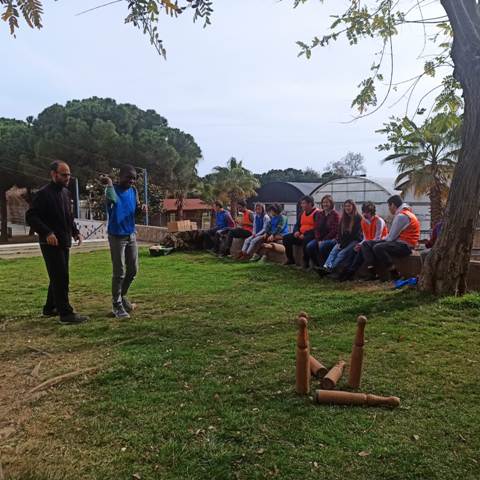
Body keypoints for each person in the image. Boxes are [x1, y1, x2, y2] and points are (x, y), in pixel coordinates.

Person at [26, 161, 88, 324]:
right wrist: (47, 232)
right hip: (50, 243)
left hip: (64, 241)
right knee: (61, 277)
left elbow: (68, 217)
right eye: (64, 175)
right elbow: (31, 216)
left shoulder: (66, 193)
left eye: (69, 175)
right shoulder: (43, 194)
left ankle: (50, 308)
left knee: (58, 275)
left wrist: (75, 232)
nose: (68, 178)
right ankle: (66, 314)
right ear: (53, 174)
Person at [102, 165, 146, 319]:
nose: (131, 181)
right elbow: (112, 200)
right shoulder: (111, 190)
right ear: (120, 176)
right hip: (116, 236)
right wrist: (109, 183)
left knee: (133, 270)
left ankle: (122, 296)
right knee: (119, 272)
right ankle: (117, 305)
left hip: (130, 234)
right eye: (128, 177)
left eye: (134, 178)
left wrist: (141, 210)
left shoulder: (133, 191)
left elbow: (135, 211)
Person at [361, 195, 420, 281]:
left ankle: (394, 273)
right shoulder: (406, 213)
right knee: (366, 244)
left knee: (378, 247)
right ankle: (372, 272)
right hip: (401, 242)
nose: (389, 209)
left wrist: (379, 241)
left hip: (405, 245)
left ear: (393, 205)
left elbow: (391, 238)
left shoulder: (401, 216)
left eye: (389, 206)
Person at [338, 201, 388, 281]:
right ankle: (348, 271)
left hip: (379, 243)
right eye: (363, 212)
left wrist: (363, 244)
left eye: (367, 212)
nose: (364, 214)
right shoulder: (363, 221)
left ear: (372, 212)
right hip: (368, 244)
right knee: (354, 250)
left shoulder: (379, 221)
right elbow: (365, 238)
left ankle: (351, 273)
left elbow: (378, 238)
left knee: (362, 249)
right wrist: (360, 244)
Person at [321, 199, 362, 274]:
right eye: (345, 206)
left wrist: (344, 244)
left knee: (341, 253)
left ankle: (331, 269)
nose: (347, 208)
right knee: (334, 251)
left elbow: (355, 235)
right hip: (343, 240)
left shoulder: (358, 218)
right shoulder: (343, 218)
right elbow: (340, 232)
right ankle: (326, 267)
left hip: (354, 241)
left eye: (349, 206)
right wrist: (340, 242)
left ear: (353, 207)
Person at [283, 196, 320, 268]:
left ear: (310, 204)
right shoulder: (302, 213)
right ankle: (290, 259)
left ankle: (306, 262)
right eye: (301, 203)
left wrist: (305, 234)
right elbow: (297, 225)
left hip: (311, 236)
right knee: (286, 238)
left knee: (306, 240)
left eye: (303, 203)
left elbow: (317, 228)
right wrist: (296, 231)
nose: (301, 205)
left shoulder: (317, 213)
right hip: (300, 234)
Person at [305, 195, 340, 268]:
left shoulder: (335, 215)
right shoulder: (319, 214)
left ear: (331, 203)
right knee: (309, 246)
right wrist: (318, 240)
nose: (325, 204)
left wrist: (323, 240)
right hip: (320, 239)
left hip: (331, 238)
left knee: (322, 246)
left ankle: (325, 266)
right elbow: (316, 228)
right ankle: (317, 265)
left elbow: (335, 230)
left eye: (327, 202)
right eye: (323, 202)